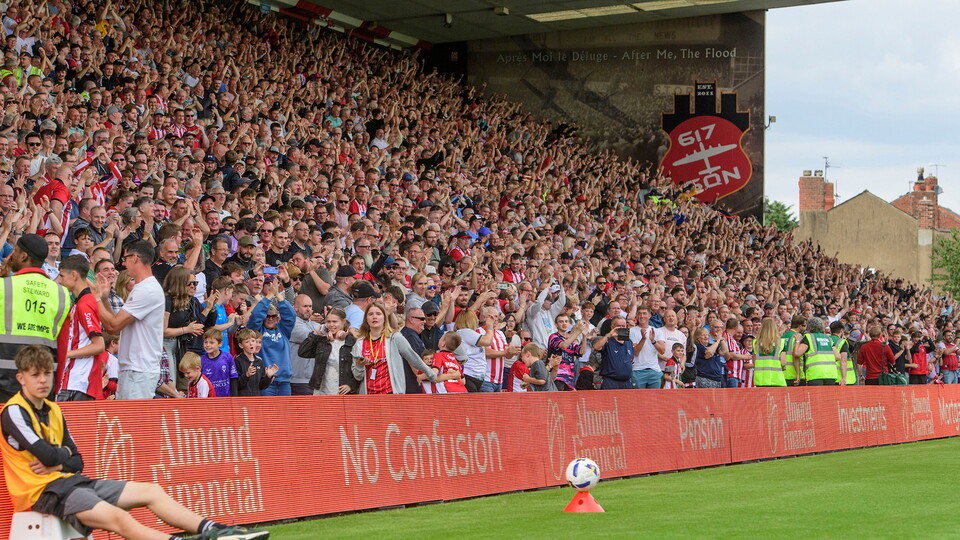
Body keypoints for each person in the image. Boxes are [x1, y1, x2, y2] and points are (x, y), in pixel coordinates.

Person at [0, 345, 269, 539]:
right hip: (41, 495)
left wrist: (59, 461)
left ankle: (214, 531)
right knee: (118, 518)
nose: (43, 380)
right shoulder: (13, 411)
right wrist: (62, 456)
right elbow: (50, 455)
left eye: (47, 373)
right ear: (21, 378)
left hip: (69, 482)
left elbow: (76, 461)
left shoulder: (54, 409)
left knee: (152, 491)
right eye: (36, 375)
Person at [0, 234, 72, 402]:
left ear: (23, 256)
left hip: (4, 381)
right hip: (42, 383)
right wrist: (54, 381)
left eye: (15, 252)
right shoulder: (61, 293)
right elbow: (62, 347)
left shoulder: (4, 286)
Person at [96, 240, 164, 399]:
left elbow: (113, 326)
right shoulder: (143, 288)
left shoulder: (147, 290)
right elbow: (115, 323)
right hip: (135, 368)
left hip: (139, 369)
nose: (123, 263)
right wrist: (105, 299)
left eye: (125, 258)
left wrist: (95, 298)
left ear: (135, 258)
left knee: (133, 421)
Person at [351, 301, 436, 394]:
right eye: (370, 314)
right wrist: (359, 365)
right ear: (366, 319)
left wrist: (430, 374)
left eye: (378, 314)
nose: (374, 317)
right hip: (369, 395)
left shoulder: (395, 338)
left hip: (391, 393)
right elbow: (357, 376)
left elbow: (413, 358)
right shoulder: (360, 343)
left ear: (384, 318)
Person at [54, 255, 106, 401]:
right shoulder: (82, 301)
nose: (60, 280)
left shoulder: (85, 304)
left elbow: (99, 345)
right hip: (75, 380)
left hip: (77, 380)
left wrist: (66, 354)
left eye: (62, 276)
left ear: (74, 275)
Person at [247, 279, 295, 396]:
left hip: (284, 381)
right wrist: (269, 296)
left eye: (273, 316)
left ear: (277, 317)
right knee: (267, 414)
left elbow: (291, 315)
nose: (270, 319)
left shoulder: (283, 330)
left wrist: (278, 294)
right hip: (265, 380)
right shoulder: (257, 331)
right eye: (267, 316)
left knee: (285, 414)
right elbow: (256, 316)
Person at [299, 308, 358, 395]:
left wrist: (351, 385)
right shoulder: (322, 340)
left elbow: (360, 368)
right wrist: (315, 333)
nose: (331, 325)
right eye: (328, 321)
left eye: (334, 322)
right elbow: (302, 352)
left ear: (343, 321)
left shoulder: (352, 341)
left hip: (342, 393)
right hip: (321, 392)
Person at [792, 317, 842, 386]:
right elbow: (838, 356)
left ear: (809, 327)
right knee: (828, 397)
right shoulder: (828, 338)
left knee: (816, 397)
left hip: (815, 374)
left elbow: (797, 353)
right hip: (830, 374)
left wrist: (797, 341)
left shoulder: (809, 337)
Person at [288, 294, 320, 395]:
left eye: (310, 307)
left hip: (312, 378)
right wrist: (321, 332)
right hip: (298, 379)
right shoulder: (292, 324)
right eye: (305, 306)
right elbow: (309, 337)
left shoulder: (315, 324)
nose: (308, 309)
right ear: (295, 308)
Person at [234, 328, 278, 397]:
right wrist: (246, 375)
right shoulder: (237, 361)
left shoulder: (259, 362)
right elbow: (236, 385)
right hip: (242, 400)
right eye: (247, 342)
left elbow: (261, 386)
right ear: (241, 345)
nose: (251, 344)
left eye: (253, 341)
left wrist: (268, 377)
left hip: (256, 400)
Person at [594, 316, 634, 390]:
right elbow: (596, 346)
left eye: (623, 326)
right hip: (610, 382)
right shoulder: (607, 340)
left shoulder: (629, 341)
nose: (621, 328)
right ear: (612, 327)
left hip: (626, 382)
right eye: (618, 326)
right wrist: (609, 335)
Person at [200, 328, 238, 398]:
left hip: (225, 398)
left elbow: (233, 378)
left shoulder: (227, 357)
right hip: (209, 399)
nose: (208, 345)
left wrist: (234, 398)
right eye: (205, 342)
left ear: (220, 343)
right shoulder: (201, 360)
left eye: (211, 342)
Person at [752, 318, 786, 387]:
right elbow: (783, 362)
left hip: (760, 380)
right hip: (777, 379)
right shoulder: (781, 342)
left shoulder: (755, 343)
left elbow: (754, 361)